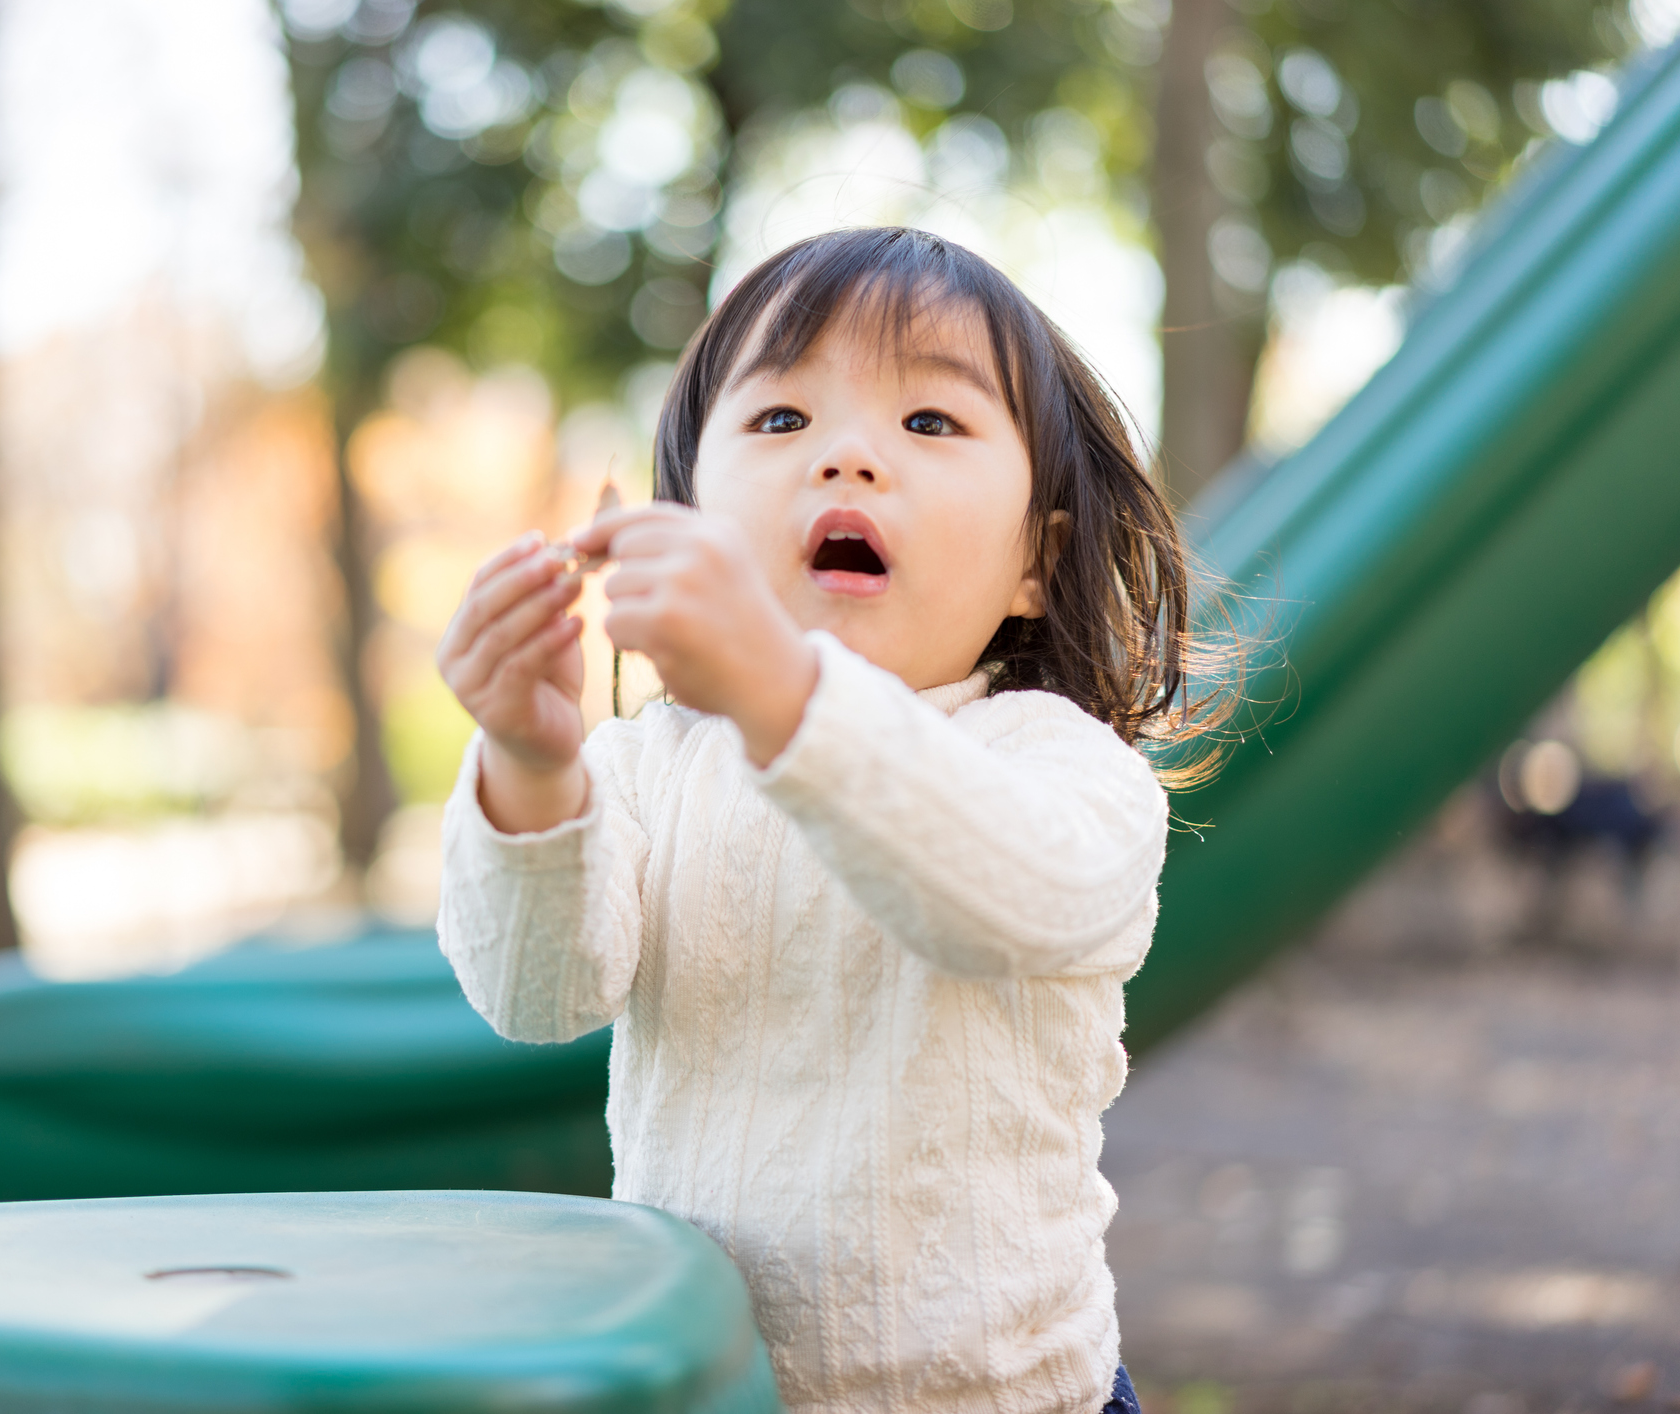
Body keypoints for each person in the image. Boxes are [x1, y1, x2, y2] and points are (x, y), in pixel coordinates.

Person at [433, 226, 1221, 1414]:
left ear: (1036, 566)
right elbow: (539, 995)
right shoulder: (644, 769)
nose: (848, 457)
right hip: (716, 1391)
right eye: (783, 420)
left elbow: (1013, 898)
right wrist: (532, 764)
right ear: (692, 509)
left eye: (931, 423)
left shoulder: (1059, 763)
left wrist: (777, 691)